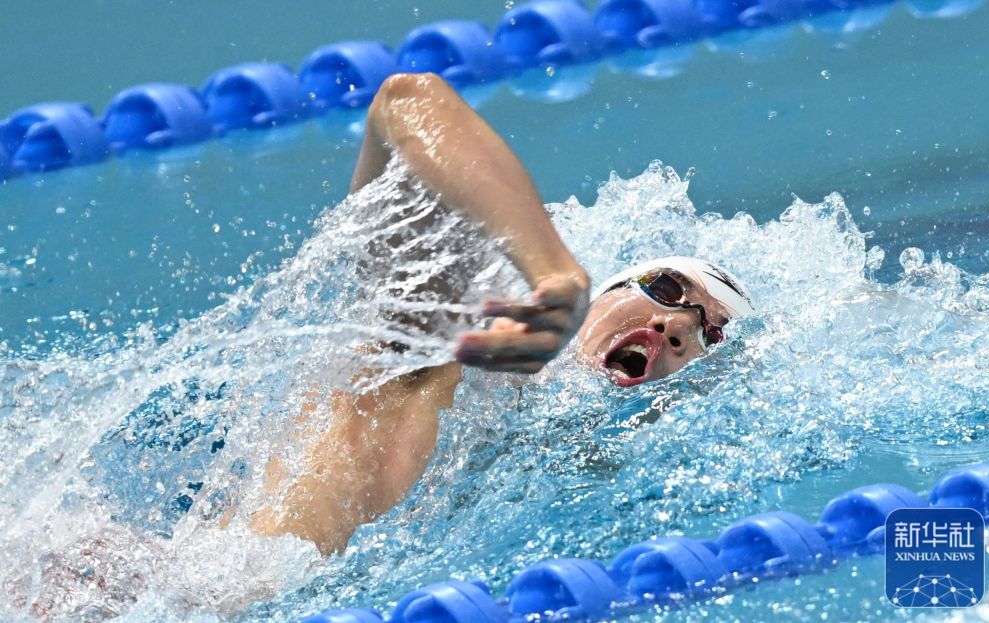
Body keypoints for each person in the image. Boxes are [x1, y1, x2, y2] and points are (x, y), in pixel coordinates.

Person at [250, 72, 754, 555]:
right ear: (602, 295)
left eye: (712, 333)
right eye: (666, 289)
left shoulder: (572, 486)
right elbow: (405, 103)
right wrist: (555, 275)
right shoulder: (454, 367)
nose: (680, 326)